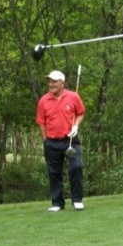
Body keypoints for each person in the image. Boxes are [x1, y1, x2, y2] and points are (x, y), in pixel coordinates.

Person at [36, 70, 86, 212]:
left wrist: (76, 126)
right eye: (49, 81)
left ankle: (77, 200)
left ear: (62, 83)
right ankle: (57, 203)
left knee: (76, 167)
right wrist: (45, 141)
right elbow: (41, 122)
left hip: (70, 139)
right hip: (52, 141)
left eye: (54, 81)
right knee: (54, 172)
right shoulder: (43, 100)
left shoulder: (73, 97)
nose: (51, 84)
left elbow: (80, 113)